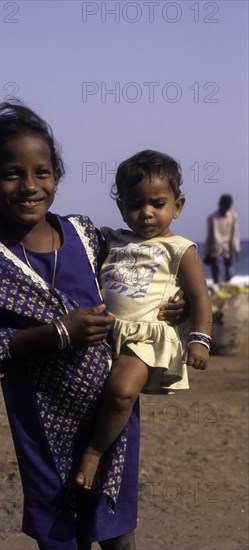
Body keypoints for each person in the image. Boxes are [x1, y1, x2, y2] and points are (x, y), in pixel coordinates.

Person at [0, 102, 185, 550]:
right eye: (12, 173)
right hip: (40, 420)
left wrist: (174, 302)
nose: (29, 186)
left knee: (117, 531)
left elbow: (137, 278)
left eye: (42, 172)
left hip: (109, 412)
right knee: (59, 532)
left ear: (57, 176)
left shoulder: (84, 234)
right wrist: (59, 333)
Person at [76, 150, 212, 491]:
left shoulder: (181, 249)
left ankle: (93, 452)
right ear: (122, 206)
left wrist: (199, 338)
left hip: (145, 338)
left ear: (177, 206)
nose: (146, 213)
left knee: (122, 392)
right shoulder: (112, 239)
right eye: (135, 203)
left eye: (158, 204)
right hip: (105, 333)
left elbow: (200, 298)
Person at [205, 194, 241, 284]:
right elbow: (210, 236)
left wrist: (237, 249)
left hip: (229, 249)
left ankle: (224, 294)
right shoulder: (213, 218)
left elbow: (235, 234)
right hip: (216, 250)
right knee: (218, 275)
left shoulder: (233, 216)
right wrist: (207, 252)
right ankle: (218, 293)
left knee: (229, 274)